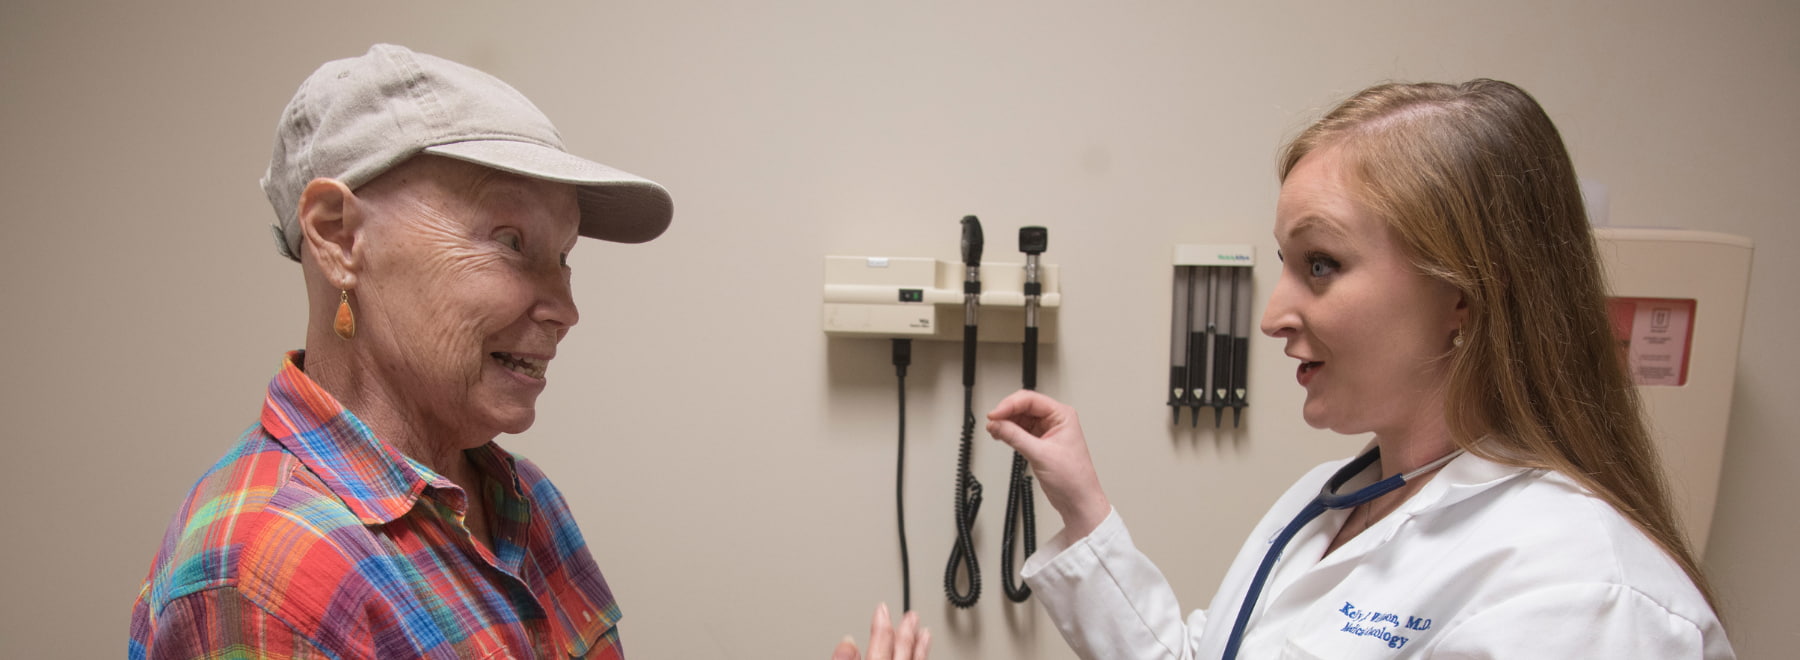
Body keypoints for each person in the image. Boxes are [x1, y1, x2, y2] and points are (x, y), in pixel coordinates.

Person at [129, 44, 928, 660]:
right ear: (339, 237)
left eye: (566, 255)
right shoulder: (264, 580)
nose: (566, 308)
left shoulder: (521, 503)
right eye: (511, 241)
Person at [986, 79, 1734, 658]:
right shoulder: (1329, 503)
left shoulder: (1584, 597)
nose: (1274, 312)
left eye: (1321, 264)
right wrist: (1086, 513)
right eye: (1288, 263)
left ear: (1466, 296)